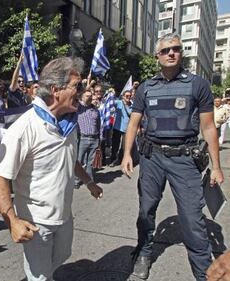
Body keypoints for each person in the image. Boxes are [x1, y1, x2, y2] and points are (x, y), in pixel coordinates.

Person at [121, 33, 224, 281]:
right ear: (157, 56)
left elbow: (209, 127)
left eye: (176, 49)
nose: (171, 53)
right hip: (151, 158)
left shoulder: (197, 84)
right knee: (146, 210)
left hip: (185, 160)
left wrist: (217, 167)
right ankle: (144, 253)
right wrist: (127, 154)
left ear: (181, 53)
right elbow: (133, 124)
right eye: (166, 50)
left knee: (192, 219)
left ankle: (204, 274)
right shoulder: (146, 87)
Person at [0, 57, 103, 281]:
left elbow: (69, 158)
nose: (81, 91)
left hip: (64, 214)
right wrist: (12, 221)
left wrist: (89, 182)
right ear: (55, 90)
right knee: (40, 276)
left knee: (62, 255)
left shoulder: (68, 121)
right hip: (37, 221)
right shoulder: (24, 127)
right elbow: (0, 177)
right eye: (77, 86)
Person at [76, 89, 101, 187]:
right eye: (87, 96)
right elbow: (76, 98)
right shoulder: (80, 108)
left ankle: (89, 181)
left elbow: (99, 124)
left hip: (94, 138)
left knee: (90, 162)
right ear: (82, 97)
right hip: (83, 138)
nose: (90, 97)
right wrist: (89, 84)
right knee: (79, 160)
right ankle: (76, 181)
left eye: (91, 96)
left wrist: (99, 138)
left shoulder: (95, 109)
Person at [110, 90, 132, 167]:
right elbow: (111, 102)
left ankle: (123, 160)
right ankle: (113, 160)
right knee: (115, 145)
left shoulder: (132, 105)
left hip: (127, 129)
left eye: (130, 96)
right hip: (117, 127)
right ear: (123, 96)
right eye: (127, 96)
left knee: (125, 146)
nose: (128, 97)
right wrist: (112, 94)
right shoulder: (119, 103)